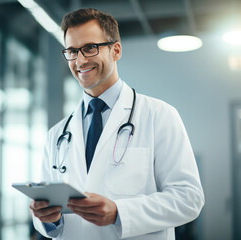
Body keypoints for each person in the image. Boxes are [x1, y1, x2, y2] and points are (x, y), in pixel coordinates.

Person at [30, 8, 205, 240]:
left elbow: (188, 198)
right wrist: (48, 219)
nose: (80, 60)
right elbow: (49, 217)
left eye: (90, 48)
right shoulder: (57, 134)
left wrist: (119, 213)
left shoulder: (160, 115)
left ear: (116, 50)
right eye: (72, 51)